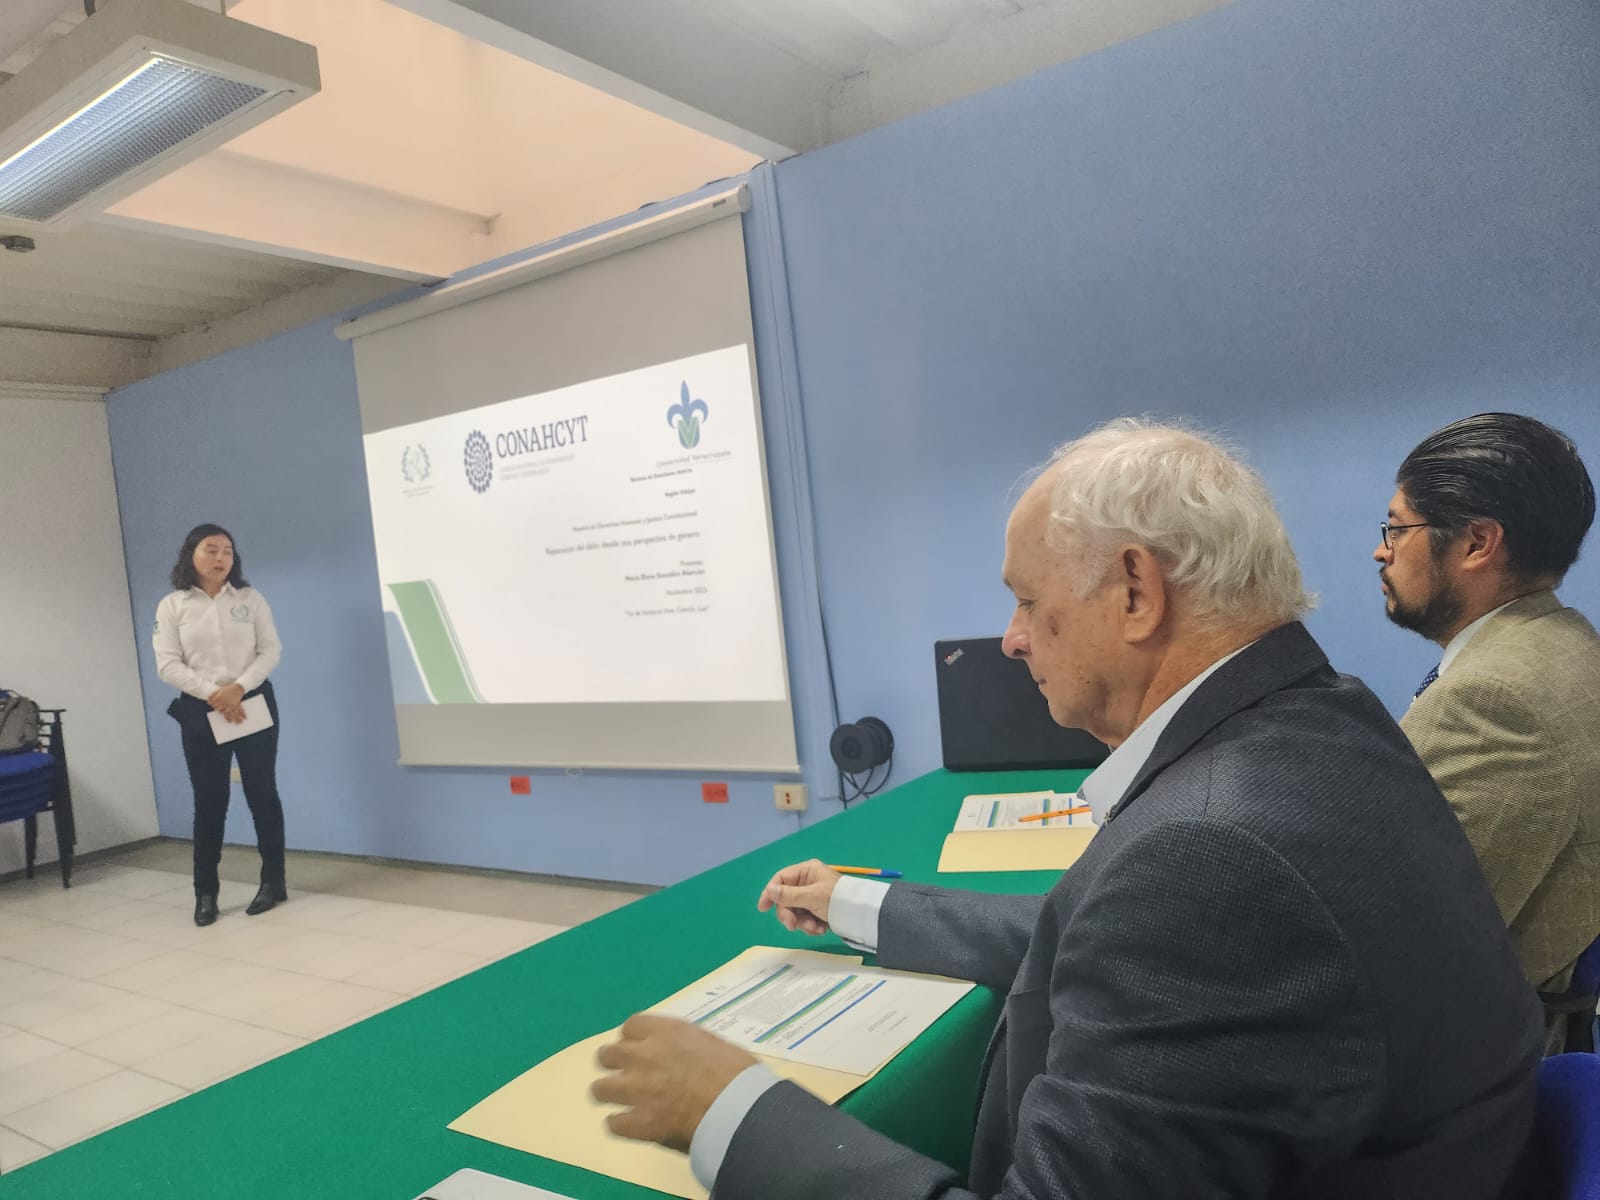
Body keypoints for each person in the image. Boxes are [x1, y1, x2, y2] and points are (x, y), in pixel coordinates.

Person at [591, 420, 1541, 1200]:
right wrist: (861, 902)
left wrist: (731, 1112)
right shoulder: (1323, 718)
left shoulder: (1211, 855)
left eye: (1025, 600)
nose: (1011, 639)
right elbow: (1112, 940)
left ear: (1136, 591)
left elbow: (1180, 921)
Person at [1376, 412, 1600, 1046]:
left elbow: (1404, 941)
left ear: (1477, 543)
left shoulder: (1494, 701)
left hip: (1469, 1060)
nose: (1382, 550)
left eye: (1397, 528)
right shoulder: (1568, 642)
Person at [153, 524, 288, 927]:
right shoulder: (173, 605)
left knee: (263, 794)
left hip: (252, 704)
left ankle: (274, 882)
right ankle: (206, 892)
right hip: (202, 710)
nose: (220, 558)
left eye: (227, 551)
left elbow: (270, 650)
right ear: (191, 555)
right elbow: (167, 665)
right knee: (210, 800)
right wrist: (216, 694)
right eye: (211, 550)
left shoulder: (250, 599)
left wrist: (238, 688)